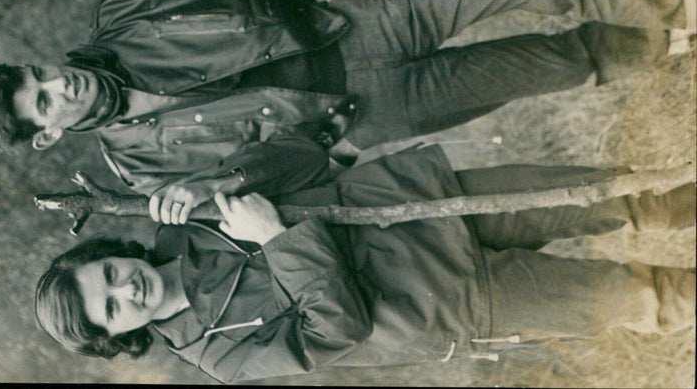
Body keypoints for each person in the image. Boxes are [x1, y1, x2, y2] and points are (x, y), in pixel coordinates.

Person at [0, 0, 695, 223]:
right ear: (48, 134)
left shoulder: (126, 7)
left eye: (36, 74)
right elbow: (284, 181)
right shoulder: (144, 175)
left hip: (361, 21)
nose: (53, 83)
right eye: (42, 102)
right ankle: (667, 40)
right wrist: (211, 188)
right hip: (369, 113)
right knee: (551, 66)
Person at [34, 142, 696, 377]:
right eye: (113, 310)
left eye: (111, 276)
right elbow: (336, 330)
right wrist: (277, 242)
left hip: (431, 203)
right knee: (648, 296)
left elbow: (305, 158)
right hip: (446, 298)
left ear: (113, 254)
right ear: (118, 336)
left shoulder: (186, 221)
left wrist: (218, 183)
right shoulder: (218, 354)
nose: (130, 291)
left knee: (625, 197)